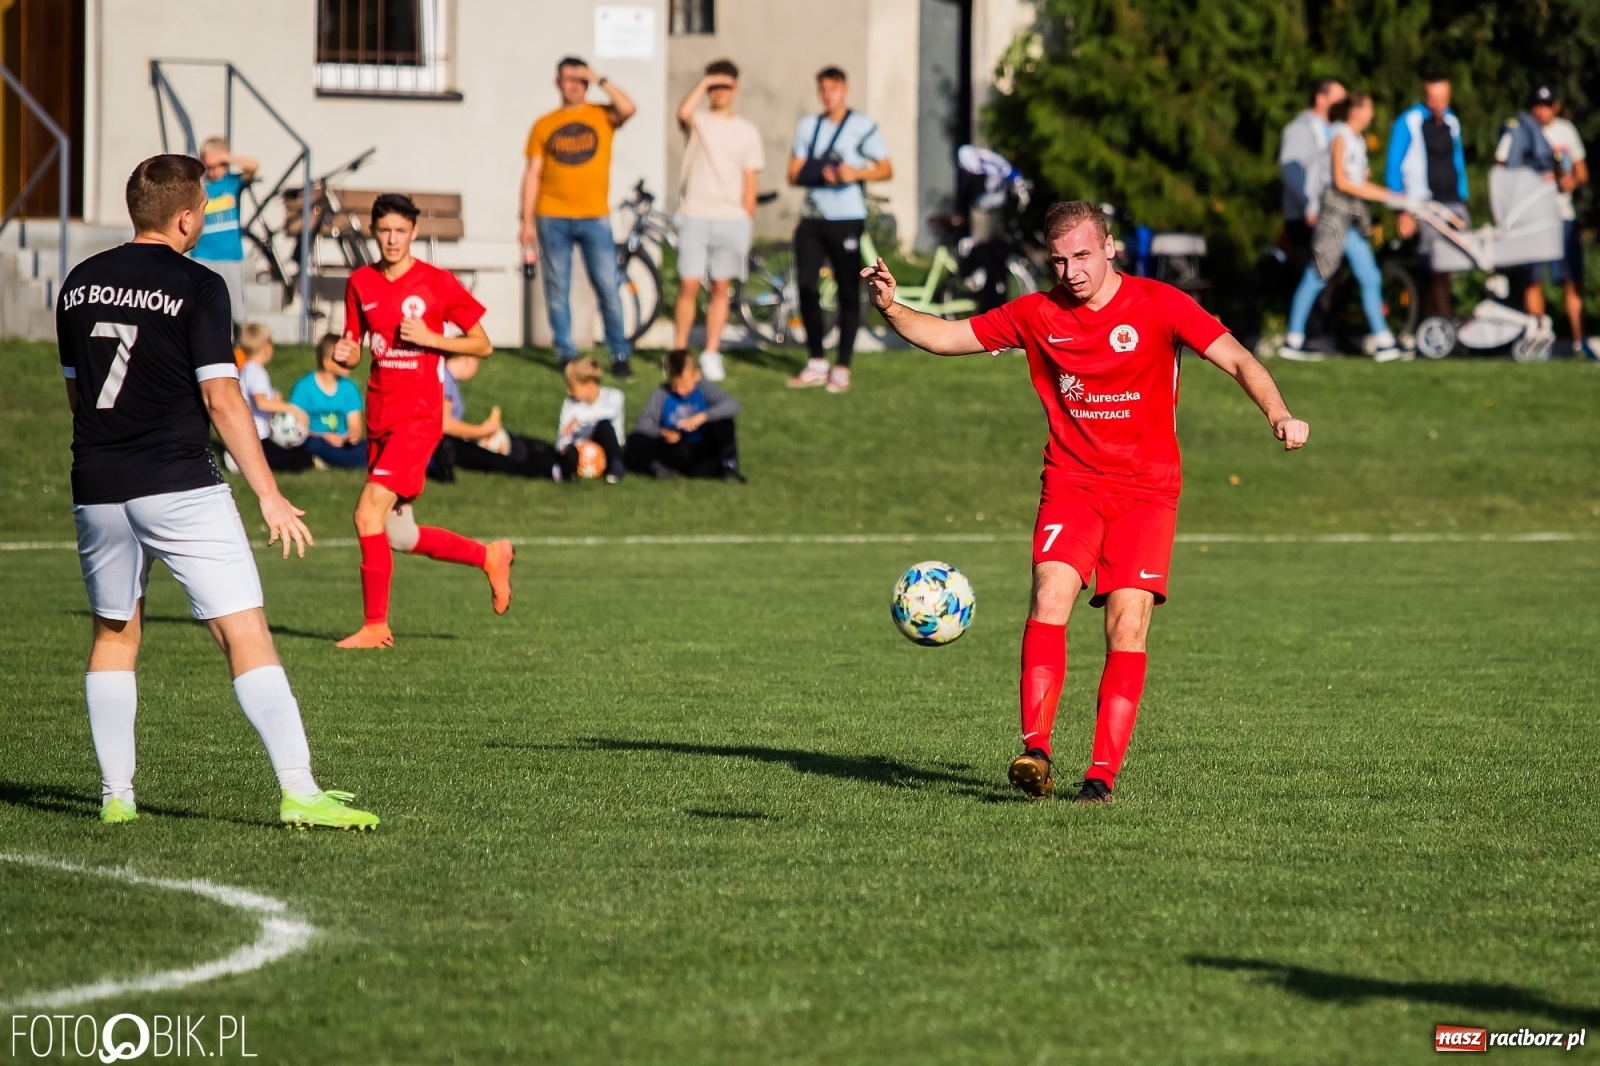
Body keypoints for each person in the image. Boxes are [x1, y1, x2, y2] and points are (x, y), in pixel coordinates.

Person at [863, 199, 1309, 804]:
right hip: (1072, 484)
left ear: (1108, 248)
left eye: (1081, 256)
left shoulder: (1160, 304)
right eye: (1058, 260)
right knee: (1050, 594)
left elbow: (1237, 357)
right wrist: (891, 306)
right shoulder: (1037, 313)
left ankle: (1100, 778)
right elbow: (946, 336)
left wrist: (1279, 413)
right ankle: (1036, 751)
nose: (1071, 271)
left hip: (1147, 493)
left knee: (1127, 624)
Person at [54, 153, 377, 829]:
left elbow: (78, 395)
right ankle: (300, 790)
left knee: (115, 632)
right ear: (185, 218)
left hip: (98, 481)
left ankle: (117, 797)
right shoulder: (198, 283)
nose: (204, 216)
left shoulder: (78, 282)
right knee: (243, 632)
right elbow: (223, 398)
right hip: (177, 482)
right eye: (204, 206)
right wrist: (269, 494)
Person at [333, 193, 515, 649]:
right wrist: (345, 352)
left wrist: (434, 338)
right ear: (374, 232)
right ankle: (489, 556)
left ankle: (376, 626)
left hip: (419, 417)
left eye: (401, 231)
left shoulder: (437, 283)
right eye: (385, 230)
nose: (393, 239)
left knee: (366, 513)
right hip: (380, 415)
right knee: (399, 534)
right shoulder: (360, 283)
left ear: (413, 232)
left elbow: (483, 345)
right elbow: (353, 348)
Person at [519, 56, 637, 378]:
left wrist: (599, 78)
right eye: (567, 79)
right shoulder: (544, 124)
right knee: (557, 288)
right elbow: (533, 173)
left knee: (608, 286)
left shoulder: (602, 115)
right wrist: (527, 221)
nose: (573, 85)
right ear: (557, 83)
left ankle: (619, 353)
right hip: (552, 216)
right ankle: (565, 353)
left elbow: (629, 108)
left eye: (579, 79)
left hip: (594, 217)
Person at [786, 66, 894, 394]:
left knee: (848, 289)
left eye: (833, 89)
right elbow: (793, 173)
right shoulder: (809, 126)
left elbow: (886, 169)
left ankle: (843, 365)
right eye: (823, 89)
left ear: (845, 90)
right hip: (812, 217)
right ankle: (817, 361)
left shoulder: (862, 126)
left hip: (847, 218)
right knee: (806, 287)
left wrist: (855, 173)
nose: (827, 95)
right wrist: (821, 173)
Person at [1284, 95, 1404, 362]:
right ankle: (1293, 339)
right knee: (1319, 273)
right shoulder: (1340, 136)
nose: (1371, 113)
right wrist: (1385, 195)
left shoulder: (1357, 141)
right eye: (1368, 108)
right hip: (1335, 214)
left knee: (1369, 276)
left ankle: (1382, 338)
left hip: (1351, 218)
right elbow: (1341, 181)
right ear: (1355, 111)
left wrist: (1390, 195)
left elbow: (1360, 181)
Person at [672, 58, 766, 383]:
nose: (719, 92)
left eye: (725, 86)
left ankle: (711, 352)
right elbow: (682, 112)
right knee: (688, 284)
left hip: (731, 218)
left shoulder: (747, 131)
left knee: (720, 287)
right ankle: (679, 352)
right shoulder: (698, 121)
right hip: (694, 214)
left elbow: (750, 178)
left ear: (735, 88)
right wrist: (704, 82)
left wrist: (746, 215)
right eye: (714, 86)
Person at [1507, 87, 1592, 356]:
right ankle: (1538, 339)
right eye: (1536, 105)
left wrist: (1572, 181)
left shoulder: (1566, 131)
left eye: (1546, 105)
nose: (1541, 111)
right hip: (1534, 218)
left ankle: (1578, 341)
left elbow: (1582, 172)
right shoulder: (1522, 132)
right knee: (1534, 280)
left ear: (1555, 106)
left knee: (1572, 280)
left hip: (1563, 215)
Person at [1387, 76, 1469, 319]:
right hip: (1425, 206)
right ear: (1426, 97)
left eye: (1444, 98)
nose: (1439, 104)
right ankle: (1443, 322)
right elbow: (1394, 167)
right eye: (1434, 98)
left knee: (1451, 268)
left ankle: (1432, 323)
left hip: (1453, 203)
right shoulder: (1410, 121)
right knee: (1436, 267)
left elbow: (1457, 160)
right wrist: (1402, 210)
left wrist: (1463, 195)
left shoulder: (1452, 121)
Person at [1277, 78, 1346, 348]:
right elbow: (1291, 171)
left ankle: (1320, 334)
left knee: (1326, 275)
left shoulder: (1335, 130)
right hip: (1305, 216)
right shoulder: (1301, 129)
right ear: (1320, 98)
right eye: (1339, 99)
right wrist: (1309, 205)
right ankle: (1308, 336)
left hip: (1328, 214)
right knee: (1312, 273)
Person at [431, 355, 561, 481]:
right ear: (469, 360)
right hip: (445, 443)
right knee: (498, 460)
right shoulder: (445, 378)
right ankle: (552, 470)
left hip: (450, 440)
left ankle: (555, 460)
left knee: (514, 443)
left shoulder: (446, 376)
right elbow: (444, 424)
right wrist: (481, 431)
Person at [625, 349, 744, 482]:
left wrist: (702, 417)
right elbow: (643, 422)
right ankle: (657, 468)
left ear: (697, 375)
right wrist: (662, 433)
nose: (681, 391)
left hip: (701, 447)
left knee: (725, 422)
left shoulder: (705, 388)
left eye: (685, 386)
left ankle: (729, 467)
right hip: (674, 448)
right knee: (634, 439)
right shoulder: (662, 393)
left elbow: (732, 405)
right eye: (675, 386)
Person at [192, 137, 259, 332]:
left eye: (219, 166)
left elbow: (254, 166)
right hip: (203, 256)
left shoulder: (232, 182)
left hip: (231, 257)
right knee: (204, 308)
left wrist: (226, 157)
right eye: (209, 166)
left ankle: (240, 346)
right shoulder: (198, 186)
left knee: (238, 312)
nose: (213, 171)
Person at [236, 322, 314, 471]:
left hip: (254, 436)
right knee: (300, 459)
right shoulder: (256, 372)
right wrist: (293, 409)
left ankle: (243, 459)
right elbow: (261, 403)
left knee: (299, 454)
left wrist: (274, 402)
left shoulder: (247, 369)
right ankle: (240, 462)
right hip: (259, 436)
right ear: (267, 347)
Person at [288, 333, 366, 469]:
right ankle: (333, 459)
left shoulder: (350, 388)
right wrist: (324, 436)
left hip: (341, 443)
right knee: (309, 445)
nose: (350, 361)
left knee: (370, 448)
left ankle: (327, 460)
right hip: (315, 439)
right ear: (328, 363)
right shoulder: (304, 386)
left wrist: (353, 435)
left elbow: (355, 425)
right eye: (344, 357)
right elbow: (297, 427)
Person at [556, 356, 626, 483]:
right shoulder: (570, 404)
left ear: (589, 385)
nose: (569, 392)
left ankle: (616, 464)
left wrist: (579, 419)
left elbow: (609, 412)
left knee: (604, 424)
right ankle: (571, 470)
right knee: (566, 452)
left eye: (572, 388)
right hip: (583, 448)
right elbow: (563, 432)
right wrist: (563, 446)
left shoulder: (614, 396)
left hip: (610, 448)